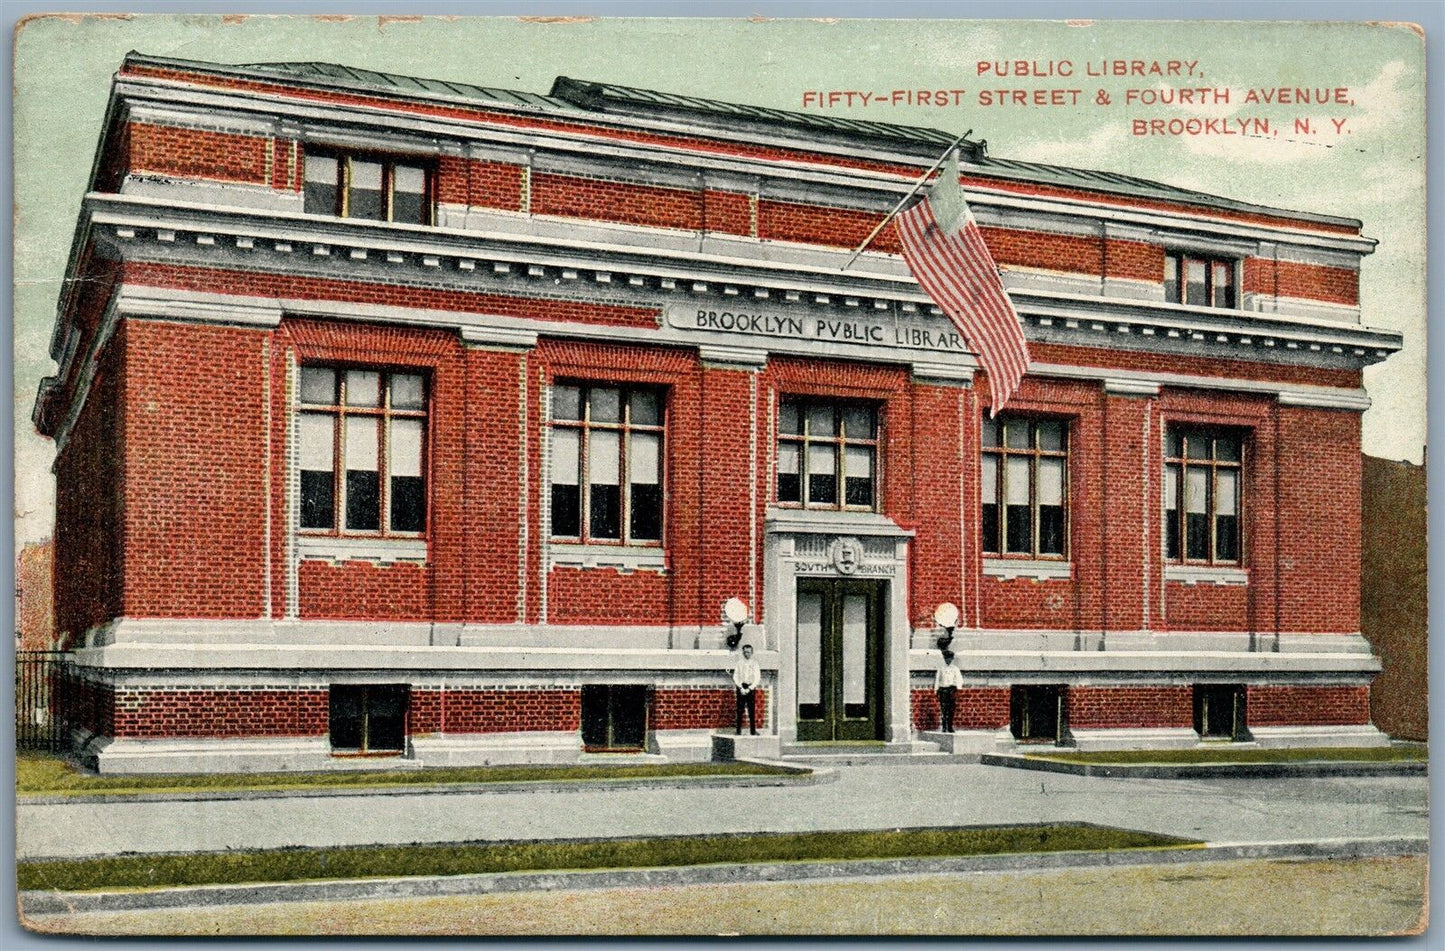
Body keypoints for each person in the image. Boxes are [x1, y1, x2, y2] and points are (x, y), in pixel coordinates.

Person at [732, 643, 761, 735]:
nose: (746, 654)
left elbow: (757, 677)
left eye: (748, 652)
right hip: (741, 688)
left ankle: (753, 731)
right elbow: (735, 676)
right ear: (742, 652)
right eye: (745, 652)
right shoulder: (739, 663)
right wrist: (740, 687)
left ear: (752, 652)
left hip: (750, 688)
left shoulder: (755, 664)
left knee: (751, 710)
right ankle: (738, 731)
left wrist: (750, 688)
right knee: (740, 710)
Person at [935, 649, 963, 733]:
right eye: (946, 658)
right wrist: (936, 690)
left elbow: (959, 680)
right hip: (943, 690)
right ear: (944, 659)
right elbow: (937, 679)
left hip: (951, 690)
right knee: (944, 709)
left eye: (950, 658)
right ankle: (944, 727)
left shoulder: (955, 669)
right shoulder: (941, 668)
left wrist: (956, 688)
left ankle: (950, 726)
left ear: (952, 659)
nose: (948, 660)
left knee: (951, 709)